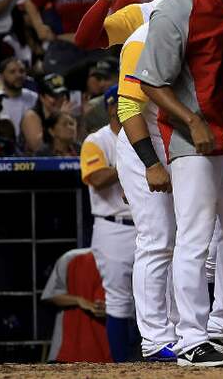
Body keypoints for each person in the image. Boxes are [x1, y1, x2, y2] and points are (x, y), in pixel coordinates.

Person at [135, 0, 223, 366]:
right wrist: (191, 121)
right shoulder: (174, 9)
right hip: (191, 137)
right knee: (196, 235)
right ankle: (189, 336)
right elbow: (151, 83)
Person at [114, 0, 193, 363]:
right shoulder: (143, 36)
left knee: (188, 239)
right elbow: (127, 106)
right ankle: (155, 336)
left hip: (176, 140)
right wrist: (150, 166)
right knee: (158, 238)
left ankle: (186, 330)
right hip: (143, 143)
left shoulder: (201, 26)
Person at [80, 86, 138, 362]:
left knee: (153, 300)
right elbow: (97, 178)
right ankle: (121, 366)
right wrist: (127, 165)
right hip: (112, 227)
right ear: (111, 107)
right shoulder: (97, 140)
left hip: (145, 225)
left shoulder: (145, 136)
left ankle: (149, 362)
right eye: (121, 103)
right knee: (118, 301)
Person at [40, 248, 111, 363]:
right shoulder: (71, 257)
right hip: (68, 349)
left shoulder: (126, 262)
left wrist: (112, 311)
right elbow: (50, 294)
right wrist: (79, 300)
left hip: (106, 350)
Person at [0, 57, 37, 138]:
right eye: (12, 72)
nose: (18, 75)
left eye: (22, 71)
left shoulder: (34, 98)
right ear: (1, 76)